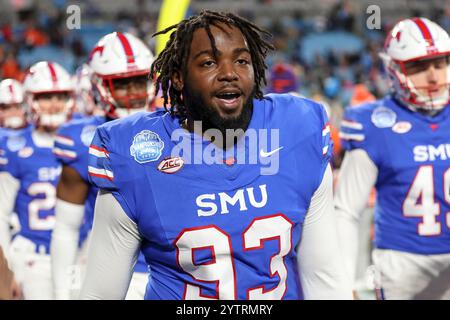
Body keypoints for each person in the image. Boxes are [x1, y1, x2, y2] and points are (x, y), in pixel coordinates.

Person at [80, 10, 351, 300]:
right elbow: (100, 293)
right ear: (178, 78)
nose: (229, 73)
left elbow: (324, 276)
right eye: (209, 62)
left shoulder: (297, 130)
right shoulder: (136, 154)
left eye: (241, 61)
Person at [335, 17, 450, 299]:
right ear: (394, 70)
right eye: (419, 66)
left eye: (440, 63)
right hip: (401, 261)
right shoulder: (374, 123)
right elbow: (347, 210)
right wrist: (343, 280)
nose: (433, 76)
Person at [51, 32, 154, 300]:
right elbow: (66, 227)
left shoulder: (176, 129)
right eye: (121, 84)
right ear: (99, 87)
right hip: (107, 275)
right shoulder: (80, 139)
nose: (132, 93)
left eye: (139, 81)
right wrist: (62, 293)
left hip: (169, 273)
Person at [0, 61, 74, 299]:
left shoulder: (85, 141)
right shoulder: (14, 147)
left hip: (78, 256)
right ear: (31, 100)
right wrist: (7, 269)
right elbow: (1, 213)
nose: (54, 104)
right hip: (34, 258)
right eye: (46, 97)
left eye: (60, 96)